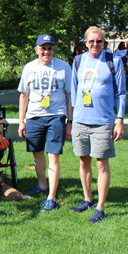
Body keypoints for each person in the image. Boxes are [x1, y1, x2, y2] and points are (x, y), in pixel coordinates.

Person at [70, 26, 126, 223]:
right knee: (84, 161)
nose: (95, 44)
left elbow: (121, 93)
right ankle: (88, 199)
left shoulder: (113, 61)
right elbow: (74, 92)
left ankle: (100, 207)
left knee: (102, 164)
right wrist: (72, 120)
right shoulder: (78, 61)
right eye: (91, 41)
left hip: (103, 121)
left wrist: (120, 121)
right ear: (85, 43)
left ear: (104, 43)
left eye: (99, 41)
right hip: (80, 120)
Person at [18, 34, 72, 213]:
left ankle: (52, 197)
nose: (46, 51)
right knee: (37, 153)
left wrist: (69, 122)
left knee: (54, 155)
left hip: (56, 115)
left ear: (54, 49)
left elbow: (69, 95)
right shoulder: (29, 68)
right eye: (43, 48)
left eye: (50, 48)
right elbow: (24, 95)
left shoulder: (64, 67)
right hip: (34, 115)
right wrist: (21, 121)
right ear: (36, 49)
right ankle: (42, 185)